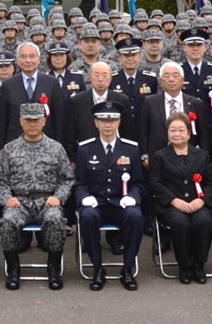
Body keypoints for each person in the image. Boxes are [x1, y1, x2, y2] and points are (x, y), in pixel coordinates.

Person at [0, 102, 74, 290]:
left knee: (55, 220)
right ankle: (13, 269)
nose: (32, 124)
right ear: (21, 122)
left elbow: (67, 179)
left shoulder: (56, 148)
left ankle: (53, 268)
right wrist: (7, 198)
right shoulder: (10, 149)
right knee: (7, 222)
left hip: (47, 201)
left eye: (36, 120)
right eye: (28, 120)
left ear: (43, 122)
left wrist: (58, 197)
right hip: (19, 202)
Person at [73, 102, 145, 291]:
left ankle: (128, 268)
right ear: (96, 123)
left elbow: (138, 183)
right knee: (87, 217)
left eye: (112, 120)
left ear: (119, 122)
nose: (108, 124)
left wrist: (132, 197)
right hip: (96, 204)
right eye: (103, 120)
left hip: (121, 204)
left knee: (136, 216)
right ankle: (97, 268)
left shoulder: (131, 149)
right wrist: (84, 197)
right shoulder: (85, 149)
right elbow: (79, 183)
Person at [146, 112, 212, 284]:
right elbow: (155, 183)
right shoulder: (159, 156)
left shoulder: (202, 155)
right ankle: (184, 266)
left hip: (197, 203)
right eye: (172, 130)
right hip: (171, 205)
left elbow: (211, 182)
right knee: (180, 223)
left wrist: (201, 200)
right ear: (167, 133)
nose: (176, 134)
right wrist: (174, 200)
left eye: (181, 130)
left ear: (189, 133)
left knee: (204, 222)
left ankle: (199, 264)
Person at [0, 43, 68, 149]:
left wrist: (59, 146)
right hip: (15, 146)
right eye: (23, 56)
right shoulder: (8, 85)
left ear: (39, 59)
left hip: (46, 145)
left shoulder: (52, 83)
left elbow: (58, 119)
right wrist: (2, 148)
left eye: (32, 56)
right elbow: (3, 120)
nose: (28, 60)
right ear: (17, 60)